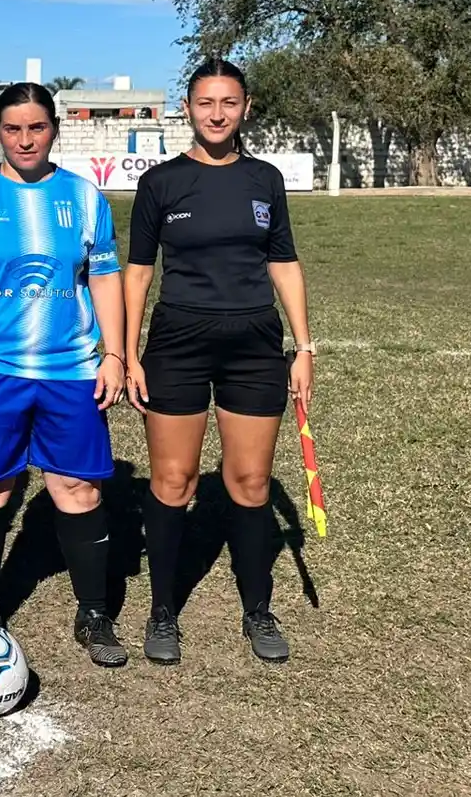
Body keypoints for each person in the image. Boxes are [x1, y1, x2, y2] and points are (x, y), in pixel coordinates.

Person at [0, 82, 130, 668]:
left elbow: (104, 276)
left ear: (54, 130)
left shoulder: (84, 196)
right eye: (13, 129)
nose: (25, 140)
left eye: (36, 127)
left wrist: (114, 354)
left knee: (77, 488)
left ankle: (94, 613)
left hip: (71, 371)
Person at [122, 57, 315, 665]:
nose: (216, 114)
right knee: (173, 481)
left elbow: (283, 261)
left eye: (228, 103)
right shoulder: (160, 183)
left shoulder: (265, 180)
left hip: (255, 345)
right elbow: (138, 271)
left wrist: (303, 346)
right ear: (188, 109)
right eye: (205, 103)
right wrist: (127, 351)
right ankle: (162, 611)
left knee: (250, 482)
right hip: (177, 342)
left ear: (245, 109)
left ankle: (257, 608)